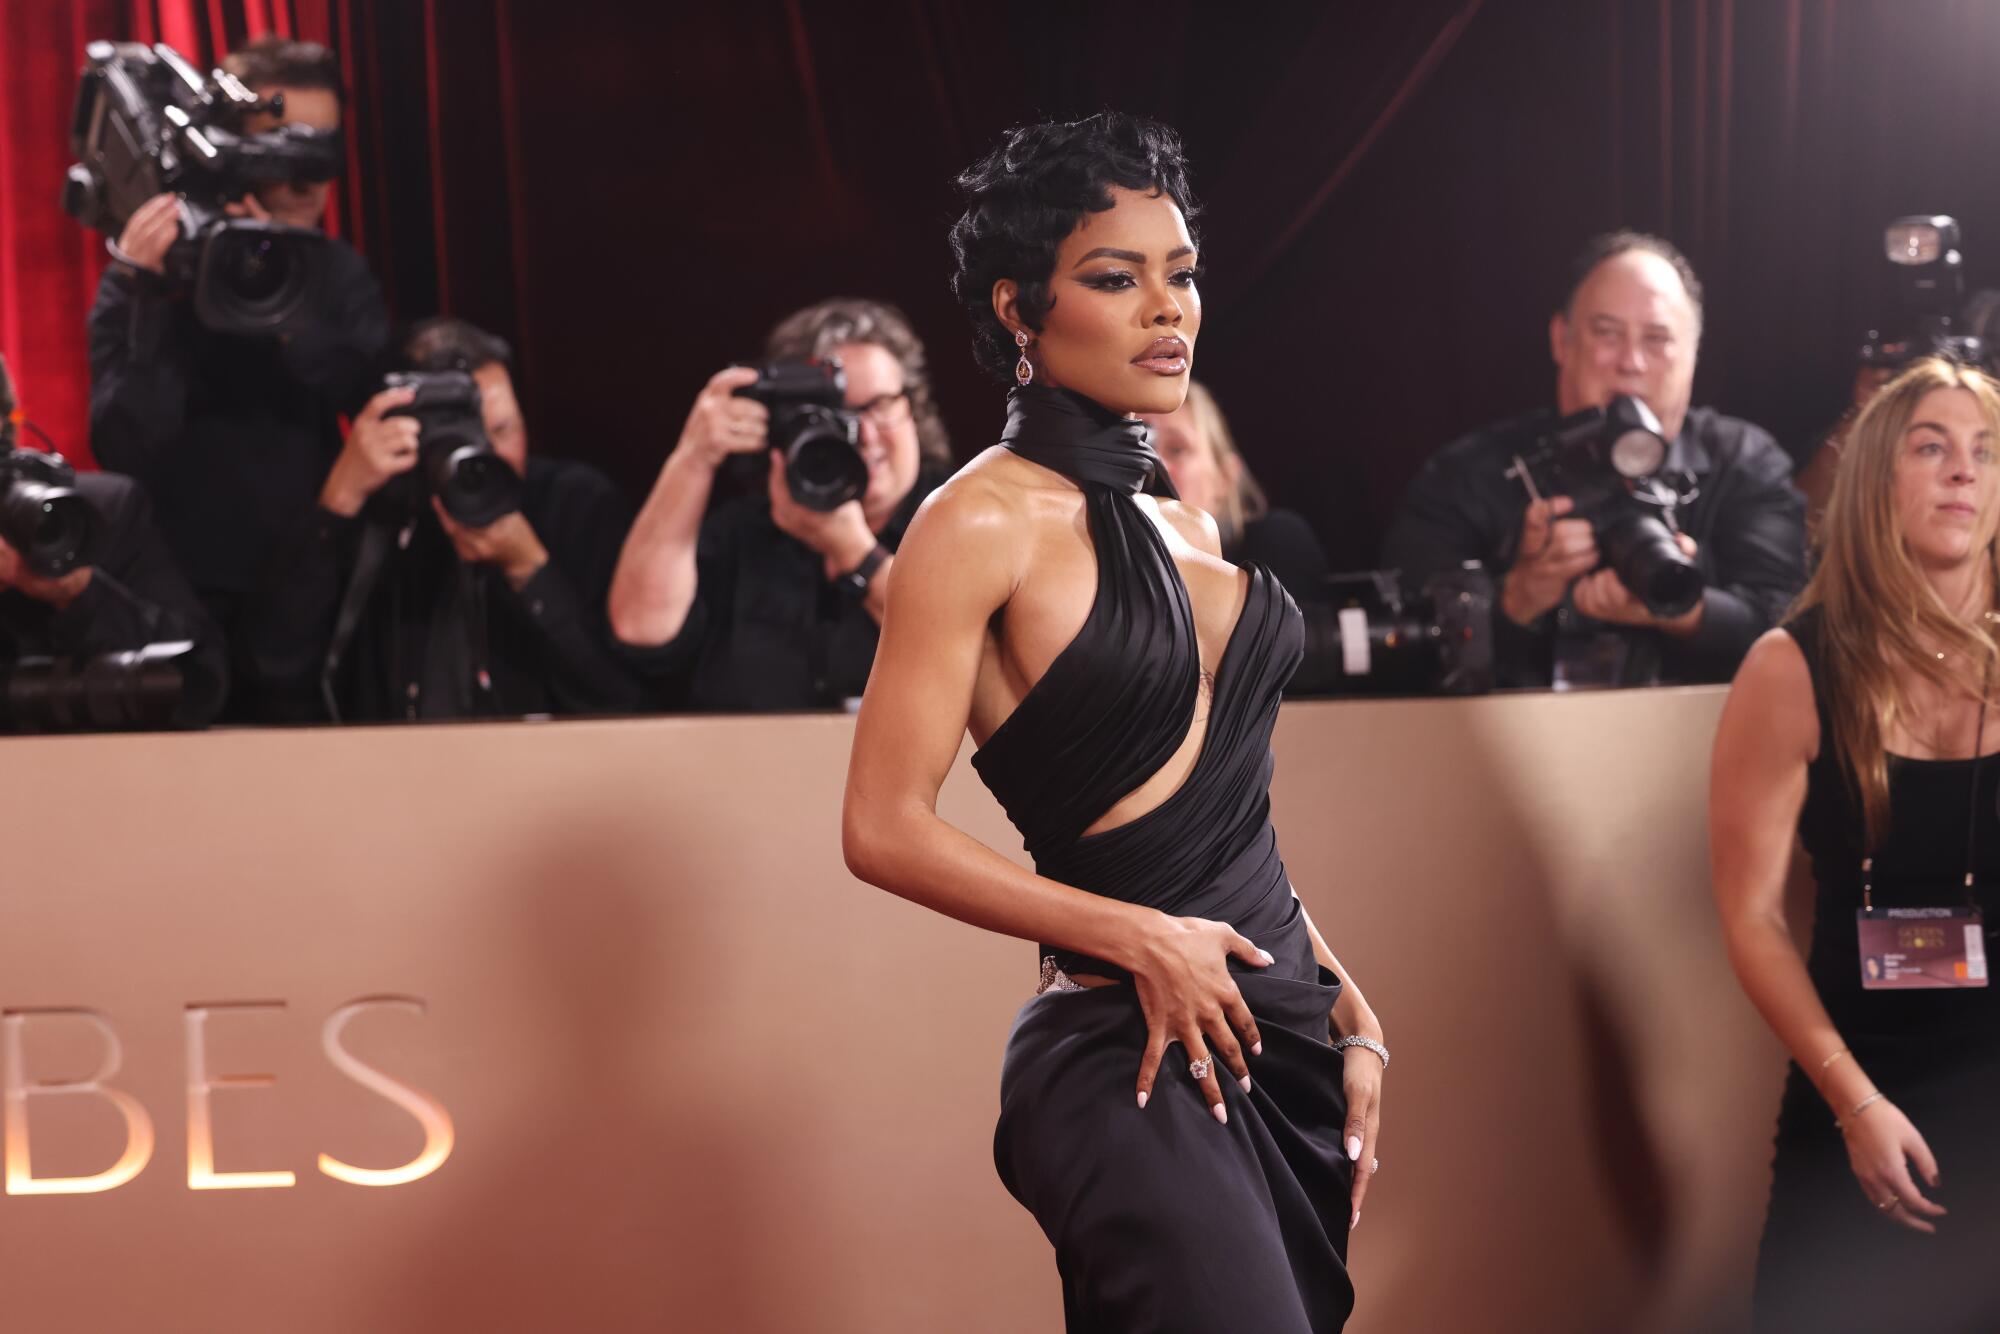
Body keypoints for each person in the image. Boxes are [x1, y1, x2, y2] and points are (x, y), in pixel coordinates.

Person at [841, 113, 1383, 1333]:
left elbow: (1222, 815)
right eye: (1113, 277)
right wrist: (1140, 938)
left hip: (1277, 1039)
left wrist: (1337, 988)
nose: (1164, 308)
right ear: (1018, 311)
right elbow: (879, 826)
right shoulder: (974, 521)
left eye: (1178, 273)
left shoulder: (1187, 520)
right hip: (1122, 1049)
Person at [1711, 356, 2000, 1330]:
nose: (1961, 471)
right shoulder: (1789, 666)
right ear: (1877, 477)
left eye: (1984, 452)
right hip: (1861, 1089)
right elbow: (1750, 917)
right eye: (1931, 447)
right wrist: (1855, 1102)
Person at [1381, 231, 1807, 689]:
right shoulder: (1466, 475)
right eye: (1607, 334)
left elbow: (1795, 630)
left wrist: (1683, 606)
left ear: (1694, 352)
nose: (1631, 362)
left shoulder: (1746, 464)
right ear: (1561, 340)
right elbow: (1394, 649)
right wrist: (1517, 598)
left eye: (1658, 338)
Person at [86, 36, 389, 663]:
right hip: (172, 589)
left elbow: (369, 401)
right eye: (284, 146)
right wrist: (146, 291)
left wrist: (278, 286)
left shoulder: (339, 274)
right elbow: (123, 442)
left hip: (306, 591)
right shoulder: (151, 276)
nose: (306, 178)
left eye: (322, 149)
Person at [240, 318, 642, 721]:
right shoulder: (376, 514)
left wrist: (529, 568)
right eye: (461, 435)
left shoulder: (574, 505)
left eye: (502, 430)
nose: (484, 454)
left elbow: (618, 699)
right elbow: (274, 667)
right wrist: (338, 503)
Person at [607, 298, 952, 710]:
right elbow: (640, 629)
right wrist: (694, 456)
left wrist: (854, 552)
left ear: (913, 407)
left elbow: (969, 654)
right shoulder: (742, 531)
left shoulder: (962, 517)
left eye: (878, 406)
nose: (864, 435)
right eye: (835, 415)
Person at [1141, 379, 1330, 597]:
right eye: (1140, 446)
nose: (1152, 465)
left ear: (1225, 477)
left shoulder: (1275, 542)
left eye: (1176, 449)